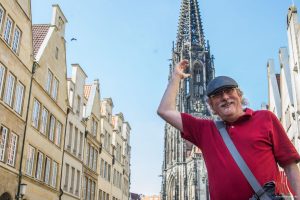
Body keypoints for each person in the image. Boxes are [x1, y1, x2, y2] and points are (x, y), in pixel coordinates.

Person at [157, 60, 300, 200]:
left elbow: (289, 164)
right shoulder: (205, 130)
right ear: (211, 105)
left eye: (229, 91)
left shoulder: (265, 118)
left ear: (239, 95)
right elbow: (165, 110)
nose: (225, 97)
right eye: (217, 95)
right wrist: (176, 77)